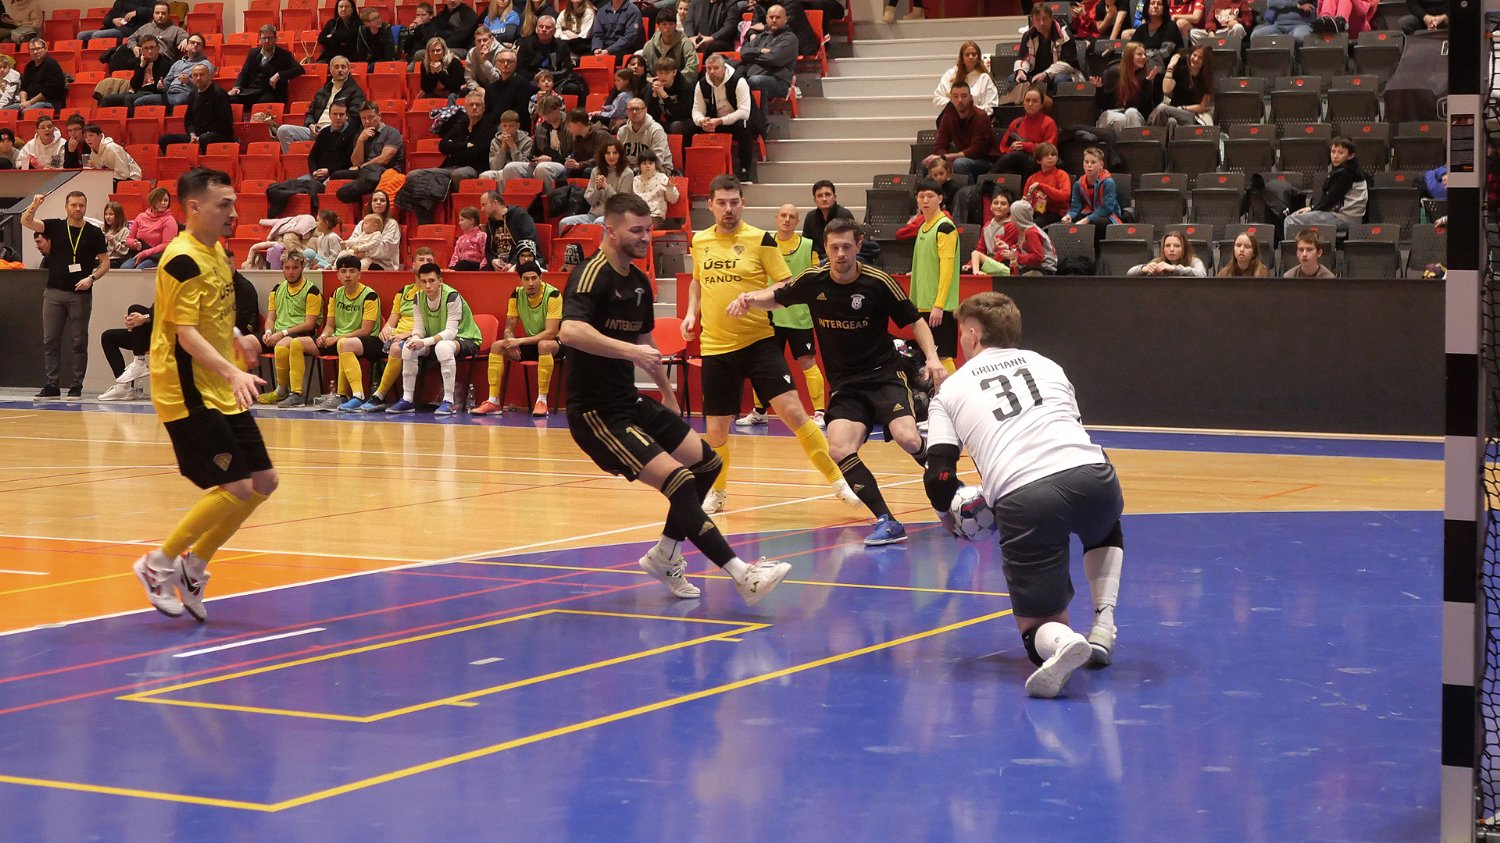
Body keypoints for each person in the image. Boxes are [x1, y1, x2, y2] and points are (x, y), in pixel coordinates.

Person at [561, 192, 792, 604]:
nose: (645, 237)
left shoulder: (638, 282)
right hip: (597, 414)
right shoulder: (591, 275)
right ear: (609, 231)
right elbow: (571, 332)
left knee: (707, 463)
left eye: (648, 230)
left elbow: (645, 342)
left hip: (629, 402)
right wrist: (630, 352)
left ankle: (665, 554)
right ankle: (742, 575)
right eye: (636, 230)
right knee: (680, 481)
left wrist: (667, 393)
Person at [922, 291, 1125, 697]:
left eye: (962, 333)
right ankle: (1104, 624)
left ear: (973, 334)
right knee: (1103, 527)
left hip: (1026, 495)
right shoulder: (1049, 365)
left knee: (1037, 631)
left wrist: (951, 520)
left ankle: (1062, 642)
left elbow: (939, 477)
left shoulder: (950, 390)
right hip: (1095, 476)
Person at [730, 218, 948, 545]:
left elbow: (915, 322)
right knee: (839, 448)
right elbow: (779, 296)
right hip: (846, 385)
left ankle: (949, 483)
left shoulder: (878, 282)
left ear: (858, 245)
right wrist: (751, 299)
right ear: (826, 248)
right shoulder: (813, 279)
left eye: (847, 246)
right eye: (834, 247)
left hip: (884, 376)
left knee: (907, 438)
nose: (841, 254)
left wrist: (932, 357)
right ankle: (887, 520)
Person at [129, 168, 279, 623]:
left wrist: (238, 337)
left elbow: (210, 314)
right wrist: (232, 370)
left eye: (234, 203)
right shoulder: (181, 259)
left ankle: (193, 568)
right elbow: (185, 332)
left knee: (264, 481)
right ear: (194, 207)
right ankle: (158, 564)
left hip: (217, 384)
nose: (233, 212)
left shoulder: (215, 252)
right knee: (235, 486)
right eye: (223, 205)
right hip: (185, 388)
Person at [684, 174, 858, 514]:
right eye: (722, 203)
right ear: (710, 204)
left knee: (793, 412)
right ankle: (717, 492)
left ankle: (840, 482)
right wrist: (692, 313)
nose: (728, 209)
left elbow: (785, 285)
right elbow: (697, 281)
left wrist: (753, 297)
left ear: (743, 203)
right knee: (716, 431)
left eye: (734, 202)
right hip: (716, 347)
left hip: (759, 342)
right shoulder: (699, 241)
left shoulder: (761, 239)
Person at [736, 202, 829, 429]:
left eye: (792, 216)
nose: (787, 219)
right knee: (760, 363)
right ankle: (760, 411)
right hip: (769, 315)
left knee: (808, 362)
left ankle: (819, 412)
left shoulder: (808, 246)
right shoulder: (765, 243)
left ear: (797, 221)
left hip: (799, 315)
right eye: (783, 215)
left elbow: (817, 278)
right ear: (776, 218)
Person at [20, 191, 109, 399]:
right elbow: (26, 221)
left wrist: (91, 278)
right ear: (66, 206)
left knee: (79, 341)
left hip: (80, 295)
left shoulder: (94, 232)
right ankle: (52, 385)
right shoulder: (56, 226)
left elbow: (105, 263)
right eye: (74, 205)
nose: (78, 209)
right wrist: (35, 204)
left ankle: (76, 385)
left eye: (81, 205)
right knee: (50, 340)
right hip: (54, 292)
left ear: (85, 207)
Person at [386, 264, 483, 415]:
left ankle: (448, 401)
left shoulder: (452, 296)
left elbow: (451, 332)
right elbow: (419, 329)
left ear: (440, 281)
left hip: (467, 339)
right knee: (408, 347)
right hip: (436, 340)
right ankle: (407, 399)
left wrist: (423, 342)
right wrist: (415, 339)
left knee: (443, 347)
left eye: (431, 281)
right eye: (424, 281)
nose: (428, 285)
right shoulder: (418, 297)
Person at [474, 261, 562, 415]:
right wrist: (511, 343)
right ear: (520, 280)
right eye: (526, 279)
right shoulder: (516, 294)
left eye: (534, 278)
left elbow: (551, 332)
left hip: (556, 344)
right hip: (532, 342)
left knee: (544, 345)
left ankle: (542, 401)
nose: (530, 283)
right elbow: (509, 328)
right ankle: (493, 401)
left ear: (541, 278)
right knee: (497, 346)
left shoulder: (553, 295)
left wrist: (519, 341)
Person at [313, 255, 384, 411]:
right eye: (343, 271)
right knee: (296, 343)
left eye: (352, 271)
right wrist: (324, 336)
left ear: (359, 274)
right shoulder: (336, 294)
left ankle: (357, 395)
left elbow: (366, 330)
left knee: (343, 344)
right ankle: (293, 393)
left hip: (369, 341)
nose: (347, 275)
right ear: (338, 275)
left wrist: (336, 338)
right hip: (339, 339)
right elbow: (329, 326)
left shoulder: (370, 295)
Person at [264, 100, 357, 217]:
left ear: (347, 116)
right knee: (290, 187)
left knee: (318, 189)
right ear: (329, 115)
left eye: (341, 114)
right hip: (316, 174)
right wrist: (314, 171)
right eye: (335, 114)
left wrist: (328, 171)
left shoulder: (353, 133)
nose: (338, 117)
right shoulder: (324, 132)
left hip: (335, 174)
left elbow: (348, 160)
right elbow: (312, 156)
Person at [256, 250, 324, 407]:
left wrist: (282, 333)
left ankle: (283, 391)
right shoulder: (276, 289)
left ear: (302, 267)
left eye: (295, 267)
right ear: (282, 268)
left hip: (301, 334)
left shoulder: (312, 291)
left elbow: (310, 324)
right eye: (287, 268)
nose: (291, 272)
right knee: (246, 342)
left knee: (282, 345)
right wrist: (268, 332)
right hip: (277, 333)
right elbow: (271, 318)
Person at [908, 178, 961, 374]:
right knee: (930, 355)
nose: (925, 200)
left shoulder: (945, 227)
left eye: (930, 196)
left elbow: (947, 269)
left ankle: (952, 391)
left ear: (940, 198)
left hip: (939, 307)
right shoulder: (923, 227)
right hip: (923, 303)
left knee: (942, 355)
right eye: (921, 196)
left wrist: (939, 305)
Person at [257, 55, 366, 151]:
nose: (340, 70)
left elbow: (355, 117)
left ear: (348, 70)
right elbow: (310, 114)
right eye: (336, 67)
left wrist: (334, 126)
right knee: (283, 130)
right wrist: (311, 125)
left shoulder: (355, 91)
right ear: (330, 70)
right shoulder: (323, 90)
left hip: (337, 132)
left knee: (325, 132)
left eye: (343, 67)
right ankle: (295, 164)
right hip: (316, 130)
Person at [356, 263, 424, 412]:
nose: (424, 263)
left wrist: (406, 335)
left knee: (396, 348)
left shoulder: (433, 293)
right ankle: (354, 396)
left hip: (415, 338)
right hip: (395, 336)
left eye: (428, 260)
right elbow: (392, 321)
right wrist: (386, 330)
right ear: (413, 264)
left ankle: (378, 395)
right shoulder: (404, 292)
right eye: (421, 259)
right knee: (347, 344)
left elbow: (430, 327)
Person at [693, 53, 760, 183]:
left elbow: (744, 112)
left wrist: (720, 121)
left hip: (736, 123)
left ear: (724, 68)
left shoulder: (739, 81)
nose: (712, 72)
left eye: (716, 68)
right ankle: (694, 173)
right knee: (687, 127)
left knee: (743, 125)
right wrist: (701, 121)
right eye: (709, 68)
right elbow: (696, 110)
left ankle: (745, 169)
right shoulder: (701, 84)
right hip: (715, 123)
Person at [1285, 136, 1367, 235]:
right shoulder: (1354, 170)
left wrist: (1312, 209)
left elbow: (1331, 199)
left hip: (1343, 219)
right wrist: (1312, 208)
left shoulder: (1346, 173)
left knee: (1290, 220)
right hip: (1346, 217)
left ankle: (1294, 245)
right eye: (1333, 152)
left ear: (1351, 155)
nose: (1335, 156)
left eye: (1340, 153)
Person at [335, 101, 406, 206]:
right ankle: (357, 193)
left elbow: (384, 159)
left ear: (379, 116)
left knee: (372, 169)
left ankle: (352, 191)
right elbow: (355, 162)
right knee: (337, 175)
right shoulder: (361, 136)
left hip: (385, 171)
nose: (367, 121)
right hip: (365, 172)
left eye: (371, 117)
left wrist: (363, 166)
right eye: (363, 118)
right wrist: (360, 141)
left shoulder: (391, 132)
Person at [926, 80, 995, 180]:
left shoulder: (981, 117)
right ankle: (932, 190)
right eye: (956, 96)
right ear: (951, 99)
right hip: (961, 158)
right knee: (927, 163)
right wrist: (941, 159)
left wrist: (945, 157)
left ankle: (970, 189)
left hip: (985, 161)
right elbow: (940, 144)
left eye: (964, 96)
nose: (960, 100)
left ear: (970, 98)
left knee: (959, 163)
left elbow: (976, 150)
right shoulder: (948, 115)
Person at [157, 63, 235, 152]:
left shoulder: (219, 93)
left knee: (205, 138)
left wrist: (201, 137)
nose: (198, 78)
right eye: (195, 75)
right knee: (165, 140)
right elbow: (188, 120)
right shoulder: (192, 94)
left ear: (209, 76)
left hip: (217, 135)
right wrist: (192, 135)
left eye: (202, 75)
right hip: (197, 135)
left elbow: (225, 123)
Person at [559, 138, 632, 232]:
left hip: (615, 216)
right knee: (564, 223)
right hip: (593, 215)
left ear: (620, 155)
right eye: (608, 153)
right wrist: (597, 188)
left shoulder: (627, 173)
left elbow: (622, 204)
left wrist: (606, 187)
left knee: (598, 223)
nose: (611, 156)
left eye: (615, 153)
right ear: (603, 155)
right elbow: (591, 202)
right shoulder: (596, 171)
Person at [1007, 5, 1079, 96]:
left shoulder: (1064, 35)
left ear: (1051, 18)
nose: (1042, 23)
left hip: (1056, 74)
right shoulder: (1028, 35)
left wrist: (1046, 74)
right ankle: (1025, 104)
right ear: (1032, 20)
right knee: (1012, 78)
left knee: (1061, 79)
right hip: (1035, 75)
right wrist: (1021, 71)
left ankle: (1056, 105)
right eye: (1038, 20)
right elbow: (1023, 58)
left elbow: (1069, 64)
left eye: (1044, 19)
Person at [131, 32, 212, 112]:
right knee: (139, 102)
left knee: (177, 101)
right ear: (186, 46)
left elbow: (205, 87)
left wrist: (189, 82)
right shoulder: (178, 63)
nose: (195, 45)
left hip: (187, 93)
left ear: (203, 48)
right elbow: (166, 82)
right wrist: (161, 85)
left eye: (198, 44)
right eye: (192, 42)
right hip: (169, 94)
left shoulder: (205, 64)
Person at [228, 25, 305, 107]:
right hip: (251, 91)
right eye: (264, 38)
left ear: (275, 39)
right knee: (228, 99)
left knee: (263, 104)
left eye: (270, 38)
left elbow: (299, 69)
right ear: (260, 39)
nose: (267, 41)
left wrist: (279, 75)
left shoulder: (284, 55)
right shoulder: (253, 53)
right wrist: (236, 87)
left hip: (271, 93)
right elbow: (244, 73)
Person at [1061, 146, 1124, 245]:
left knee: (1097, 223)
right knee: (1072, 223)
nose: (1089, 165)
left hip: (1108, 215)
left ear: (1101, 165)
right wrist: (1069, 216)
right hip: (1090, 212)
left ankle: (1096, 251)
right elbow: (1075, 207)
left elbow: (1106, 209)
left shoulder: (1108, 182)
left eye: (1093, 162)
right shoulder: (1078, 184)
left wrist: (1087, 219)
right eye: (1086, 162)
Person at [1091, 41, 1158, 131]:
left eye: (1144, 54)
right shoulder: (1112, 73)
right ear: (1129, 56)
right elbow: (1101, 105)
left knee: (1131, 112)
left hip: (1133, 115)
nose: (1144, 57)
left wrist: (1148, 83)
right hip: (1112, 113)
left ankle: (1134, 140)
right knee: (1120, 119)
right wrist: (1099, 89)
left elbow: (1147, 111)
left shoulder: (1143, 78)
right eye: (1139, 54)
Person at [992, 88, 1058, 180]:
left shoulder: (1049, 123)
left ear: (1041, 105)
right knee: (1009, 166)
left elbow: (1049, 149)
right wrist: (1011, 148)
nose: (1030, 104)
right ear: (1023, 103)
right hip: (1015, 160)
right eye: (1027, 100)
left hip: (1037, 161)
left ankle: (988, 177)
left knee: (1015, 156)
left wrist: (1025, 146)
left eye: (1035, 101)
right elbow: (1003, 146)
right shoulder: (1016, 123)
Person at [738, 4, 797, 102]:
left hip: (778, 81)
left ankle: (759, 113)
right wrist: (760, 50)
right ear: (766, 19)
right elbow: (743, 53)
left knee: (756, 81)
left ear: (785, 19)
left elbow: (774, 60)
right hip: (753, 75)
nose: (774, 20)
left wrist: (752, 57)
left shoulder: (790, 38)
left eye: (778, 17)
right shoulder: (761, 37)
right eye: (771, 17)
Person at [98, 33, 172, 111]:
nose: (149, 51)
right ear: (142, 50)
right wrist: (142, 66)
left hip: (153, 94)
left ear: (158, 48)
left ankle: (130, 119)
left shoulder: (165, 63)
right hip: (138, 93)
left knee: (129, 98)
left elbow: (157, 87)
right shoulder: (140, 62)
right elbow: (134, 85)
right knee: (107, 99)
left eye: (152, 47)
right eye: (146, 48)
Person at [97, 303, 153, 401]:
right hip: (150, 334)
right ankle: (123, 388)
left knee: (135, 308)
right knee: (108, 337)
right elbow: (153, 311)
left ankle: (139, 362)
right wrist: (133, 321)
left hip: (167, 335)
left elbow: (166, 315)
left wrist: (145, 318)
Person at [1149, 45, 1214, 128]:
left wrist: (1183, 108)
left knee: (1163, 109)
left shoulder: (1206, 78)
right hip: (1173, 111)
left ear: (1205, 61)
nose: (1195, 59)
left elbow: (1202, 107)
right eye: (1194, 55)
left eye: (1200, 57)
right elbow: (1166, 90)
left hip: (1191, 114)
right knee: (1171, 121)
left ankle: (1153, 132)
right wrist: (1170, 67)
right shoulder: (1182, 70)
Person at [481, 189, 540, 269]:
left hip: (522, 261)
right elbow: (488, 250)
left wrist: (513, 263)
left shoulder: (519, 215)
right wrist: (493, 260)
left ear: (495, 203)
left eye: (484, 205)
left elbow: (529, 242)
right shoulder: (490, 223)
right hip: (499, 264)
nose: (482, 209)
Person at [935, 41, 999, 115]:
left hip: (975, 119)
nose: (970, 57)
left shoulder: (984, 78)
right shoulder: (950, 74)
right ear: (962, 58)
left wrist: (968, 109)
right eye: (967, 54)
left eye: (974, 54)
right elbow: (937, 99)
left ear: (978, 58)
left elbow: (991, 107)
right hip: (953, 117)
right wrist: (958, 107)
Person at [122, 188, 178, 269]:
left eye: (165, 200)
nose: (163, 203)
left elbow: (167, 245)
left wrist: (145, 253)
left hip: (157, 256)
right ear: (152, 201)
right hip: (139, 253)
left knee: (140, 269)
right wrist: (134, 244)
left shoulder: (170, 221)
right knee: (125, 268)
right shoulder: (140, 217)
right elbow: (129, 239)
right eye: (160, 200)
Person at [801, 179, 855, 262]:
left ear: (835, 197)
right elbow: (806, 245)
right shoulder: (810, 217)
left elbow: (850, 244)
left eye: (827, 195)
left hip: (840, 259)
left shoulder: (844, 215)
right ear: (815, 200)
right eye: (820, 196)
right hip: (816, 262)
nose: (824, 199)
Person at [616, 97, 673, 172]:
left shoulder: (656, 130)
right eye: (631, 109)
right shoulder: (622, 131)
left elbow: (658, 160)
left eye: (637, 109)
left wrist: (637, 172)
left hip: (658, 169)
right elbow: (619, 158)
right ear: (627, 112)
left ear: (645, 110)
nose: (634, 112)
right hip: (631, 170)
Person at [971, 189, 1018, 276]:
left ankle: (977, 271)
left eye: (1003, 204)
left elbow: (1004, 253)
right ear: (990, 207)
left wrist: (986, 262)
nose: (999, 206)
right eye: (996, 203)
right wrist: (970, 264)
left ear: (1009, 208)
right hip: (988, 262)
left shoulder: (1012, 226)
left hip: (1004, 263)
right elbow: (981, 249)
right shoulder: (986, 226)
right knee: (974, 256)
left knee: (975, 254)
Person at [8, 38, 63, 113]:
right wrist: (23, 102)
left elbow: (49, 91)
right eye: (32, 49)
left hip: (49, 102)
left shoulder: (52, 65)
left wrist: (30, 102)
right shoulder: (29, 66)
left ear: (45, 49)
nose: (35, 52)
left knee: (26, 112)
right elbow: (23, 88)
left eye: (38, 49)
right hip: (29, 102)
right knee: (3, 111)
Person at [1022, 142, 1070, 228]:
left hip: (1056, 214)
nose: (1050, 157)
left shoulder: (1062, 174)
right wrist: (1027, 200)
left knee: (1032, 226)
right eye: (1046, 155)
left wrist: (1042, 187)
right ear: (1038, 160)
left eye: (1053, 155)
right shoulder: (1032, 178)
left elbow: (1065, 197)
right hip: (1036, 212)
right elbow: (1026, 198)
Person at [642, 7, 699, 78]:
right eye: (664, 24)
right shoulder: (649, 45)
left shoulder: (686, 43)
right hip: (655, 82)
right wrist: (651, 79)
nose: (668, 27)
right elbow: (643, 70)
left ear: (675, 26)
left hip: (679, 81)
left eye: (671, 24)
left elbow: (692, 68)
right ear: (658, 26)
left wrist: (672, 78)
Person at [647, 56, 696, 136]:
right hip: (668, 122)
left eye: (667, 73)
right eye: (660, 73)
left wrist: (665, 96)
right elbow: (652, 115)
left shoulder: (686, 86)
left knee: (676, 126)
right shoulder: (654, 86)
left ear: (674, 72)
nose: (663, 76)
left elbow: (682, 114)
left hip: (687, 121)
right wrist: (654, 96)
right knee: (648, 125)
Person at [1125, 231, 1207, 275]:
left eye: (1177, 246)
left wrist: (1175, 269)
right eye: (1167, 246)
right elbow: (1129, 273)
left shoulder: (1194, 261)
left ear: (1184, 248)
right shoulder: (1158, 261)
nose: (1171, 249)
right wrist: (1144, 269)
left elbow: (1202, 274)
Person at [1253, 0, 1317, 39]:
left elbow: (1302, 1)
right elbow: (1271, 2)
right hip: (1278, 25)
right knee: (1256, 36)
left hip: (1301, 24)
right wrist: (1296, 4)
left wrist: (1283, 2)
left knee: (1300, 37)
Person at [100, 201, 132, 268]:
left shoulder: (125, 231)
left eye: (111, 214)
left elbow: (124, 251)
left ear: (118, 216)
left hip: (116, 260)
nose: (108, 217)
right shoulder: (103, 230)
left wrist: (113, 241)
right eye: (106, 214)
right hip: (103, 259)